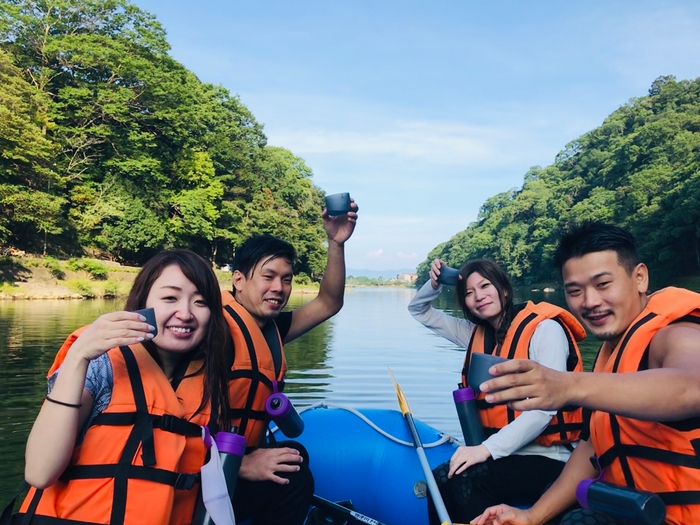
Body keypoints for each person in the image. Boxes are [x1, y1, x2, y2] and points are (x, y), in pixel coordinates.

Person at [473, 222, 700, 525]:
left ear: (640, 277)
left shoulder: (675, 334)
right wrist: (531, 516)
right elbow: (590, 449)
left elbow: (691, 387)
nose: (590, 302)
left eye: (603, 284)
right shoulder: (610, 359)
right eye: (575, 291)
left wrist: (570, 385)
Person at [16, 249, 231, 525]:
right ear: (142, 303)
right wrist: (79, 355)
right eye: (170, 298)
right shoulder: (101, 361)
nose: (185, 313)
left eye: (201, 302)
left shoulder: (207, 379)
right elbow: (39, 472)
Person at [408, 258, 585, 524]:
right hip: (505, 455)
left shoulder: (545, 329)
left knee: (467, 478)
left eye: (485, 286)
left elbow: (544, 410)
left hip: (550, 458)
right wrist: (435, 283)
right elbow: (419, 309)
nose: (478, 296)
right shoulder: (474, 335)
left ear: (503, 289)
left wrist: (485, 450)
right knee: (439, 480)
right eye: (469, 293)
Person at [219, 198, 359, 524]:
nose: (279, 288)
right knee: (295, 479)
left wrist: (335, 243)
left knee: (295, 459)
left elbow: (329, 301)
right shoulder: (212, 330)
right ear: (239, 280)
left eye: (286, 279)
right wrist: (241, 465)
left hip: (236, 454)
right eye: (268, 277)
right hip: (201, 465)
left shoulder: (272, 328)